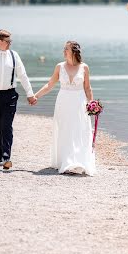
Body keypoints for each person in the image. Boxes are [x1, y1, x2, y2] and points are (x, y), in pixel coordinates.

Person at [0, 29, 37, 169]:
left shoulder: (14, 55)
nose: (10, 43)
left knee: (7, 125)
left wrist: (30, 93)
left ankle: (6, 156)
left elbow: (22, 75)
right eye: (8, 41)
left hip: (10, 95)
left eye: (10, 41)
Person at [35, 40, 96, 176]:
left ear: (74, 52)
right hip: (63, 102)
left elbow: (87, 88)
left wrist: (91, 104)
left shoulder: (84, 67)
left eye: (66, 49)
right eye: (64, 49)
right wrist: (36, 96)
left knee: (79, 130)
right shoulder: (59, 67)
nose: (64, 51)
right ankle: (66, 162)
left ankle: (79, 161)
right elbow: (49, 85)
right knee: (65, 130)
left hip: (79, 103)